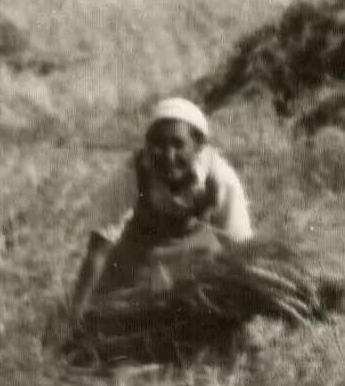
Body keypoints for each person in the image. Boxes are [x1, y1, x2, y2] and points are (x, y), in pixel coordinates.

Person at [66, 97, 252, 322]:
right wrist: (76, 313)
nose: (168, 156)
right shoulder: (133, 173)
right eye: (158, 144)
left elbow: (241, 247)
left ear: (198, 146)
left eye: (178, 144)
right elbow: (99, 249)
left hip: (197, 260)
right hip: (139, 258)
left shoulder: (219, 179)